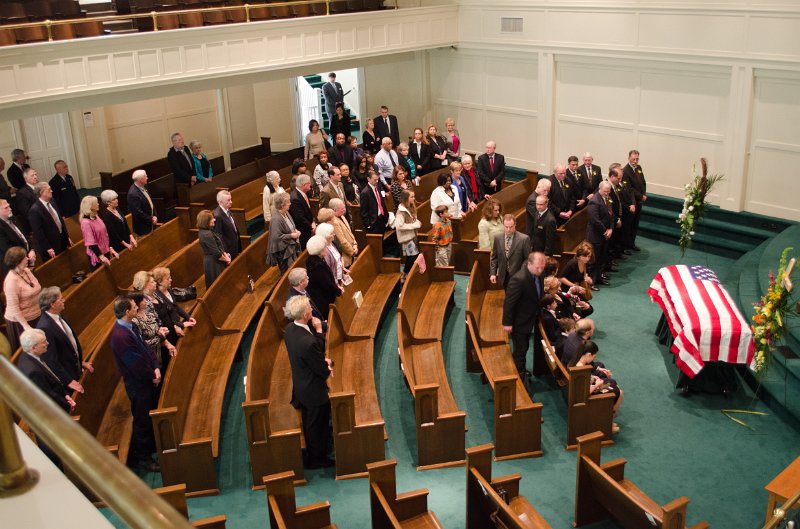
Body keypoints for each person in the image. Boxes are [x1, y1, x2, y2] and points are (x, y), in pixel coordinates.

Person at [110, 295, 161, 472]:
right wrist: (151, 374)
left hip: (146, 378)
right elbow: (134, 363)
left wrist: (155, 365)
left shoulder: (130, 326)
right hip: (138, 384)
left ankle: (152, 446)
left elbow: (145, 348)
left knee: (148, 415)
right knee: (142, 420)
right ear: (126, 311)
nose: (136, 309)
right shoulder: (120, 336)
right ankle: (144, 458)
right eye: (133, 307)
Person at [284, 295, 334, 469]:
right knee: (315, 424)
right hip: (312, 390)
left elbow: (307, 357)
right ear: (305, 314)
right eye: (309, 308)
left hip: (300, 382)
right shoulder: (308, 341)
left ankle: (318, 450)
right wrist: (319, 331)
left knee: (310, 421)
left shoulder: (290, 329)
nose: (311, 310)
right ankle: (317, 458)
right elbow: (320, 369)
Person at [18, 328, 75, 468]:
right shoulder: (32, 371)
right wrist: (67, 405)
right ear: (33, 347)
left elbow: (50, 385)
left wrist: (65, 395)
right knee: (53, 454)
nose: (48, 343)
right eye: (44, 342)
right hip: (46, 420)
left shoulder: (30, 357)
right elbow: (48, 396)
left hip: (48, 410)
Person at [37, 286, 91, 395]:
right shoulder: (45, 327)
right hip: (69, 376)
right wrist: (69, 381)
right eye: (61, 299)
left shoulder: (58, 314)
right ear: (52, 304)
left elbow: (69, 341)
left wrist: (80, 362)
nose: (64, 300)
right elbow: (51, 360)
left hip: (75, 367)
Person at [502, 252, 546, 378]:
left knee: (525, 346)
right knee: (521, 350)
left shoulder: (540, 274)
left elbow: (538, 295)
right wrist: (507, 323)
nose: (541, 270)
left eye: (542, 267)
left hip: (531, 317)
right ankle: (519, 376)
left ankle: (520, 369)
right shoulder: (519, 279)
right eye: (538, 267)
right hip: (519, 321)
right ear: (529, 264)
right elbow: (509, 302)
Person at [566, 339, 622, 424]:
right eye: (594, 357)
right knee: (617, 391)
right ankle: (606, 423)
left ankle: (608, 420)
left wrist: (594, 377)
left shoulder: (576, 360)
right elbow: (583, 393)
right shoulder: (581, 370)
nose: (593, 359)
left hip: (579, 392)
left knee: (612, 383)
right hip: (583, 400)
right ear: (588, 354)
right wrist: (597, 385)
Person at [131, 271, 177, 372]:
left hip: (163, 341)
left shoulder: (153, 296)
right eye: (152, 281)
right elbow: (141, 342)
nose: (155, 282)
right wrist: (161, 336)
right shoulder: (136, 320)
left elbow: (157, 321)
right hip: (153, 356)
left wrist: (162, 330)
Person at [3, 249, 41, 350]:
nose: (27, 258)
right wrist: (26, 327)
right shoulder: (11, 281)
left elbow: (35, 288)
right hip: (21, 323)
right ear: (17, 261)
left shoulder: (26, 271)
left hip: (35, 315)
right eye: (24, 257)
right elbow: (14, 307)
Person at [152, 267, 196, 346]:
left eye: (170, 277)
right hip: (171, 330)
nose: (171, 280)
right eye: (168, 279)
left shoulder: (169, 290)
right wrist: (177, 326)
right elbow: (164, 319)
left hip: (177, 323)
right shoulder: (157, 298)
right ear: (160, 282)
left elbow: (176, 306)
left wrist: (188, 317)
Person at [29, 182, 71, 262]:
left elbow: (60, 220)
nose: (51, 191)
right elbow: (38, 232)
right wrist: (47, 247)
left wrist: (67, 236)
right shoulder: (35, 210)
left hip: (62, 238)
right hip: (51, 245)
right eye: (49, 190)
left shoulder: (52, 201)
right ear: (41, 193)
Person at [489, 214, 531, 289]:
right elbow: (494, 258)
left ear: (515, 225)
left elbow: (528, 259)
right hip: (504, 275)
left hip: (518, 275)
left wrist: (522, 273)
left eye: (511, 227)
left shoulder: (524, 239)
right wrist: (493, 273)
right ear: (503, 225)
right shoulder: (497, 238)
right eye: (506, 227)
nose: (508, 229)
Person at [305, 235, 341, 314]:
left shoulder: (314, 259)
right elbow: (327, 283)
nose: (326, 249)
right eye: (325, 247)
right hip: (323, 300)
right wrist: (338, 291)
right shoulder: (317, 266)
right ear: (320, 250)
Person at [79, 195, 118, 269]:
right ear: (90, 206)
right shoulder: (86, 222)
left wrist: (110, 248)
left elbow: (105, 234)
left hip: (105, 251)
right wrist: (101, 256)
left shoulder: (96, 216)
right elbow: (91, 243)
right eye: (96, 203)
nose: (98, 204)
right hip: (98, 255)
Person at [586, 181, 613, 287]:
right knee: (593, 260)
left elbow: (611, 215)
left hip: (605, 235)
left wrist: (611, 228)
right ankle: (591, 282)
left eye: (608, 191)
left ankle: (598, 278)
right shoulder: (594, 201)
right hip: (595, 235)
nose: (607, 193)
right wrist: (605, 231)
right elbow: (595, 220)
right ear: (600, 189)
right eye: (605, 191)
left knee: (601, 258)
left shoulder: (607, 198)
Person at [267, 193, 301, 273]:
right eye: (288, 202)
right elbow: (276, 237)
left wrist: (295, 230)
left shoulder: (286, 212)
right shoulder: (276, 219)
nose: (290, 203)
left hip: (291, 246)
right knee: (287, 272)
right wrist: (291, 235)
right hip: (283, 251)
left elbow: (291, 226)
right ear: (282, 205)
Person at [0, 198, 34, 276]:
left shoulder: (14, 219)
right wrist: (26, 257)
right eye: (6, 207)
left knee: (35, 282)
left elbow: (26, 236)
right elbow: (8, 250)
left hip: (28, 258)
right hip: (15, 265)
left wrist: (32, 249)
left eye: (9, 206)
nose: (10, 209)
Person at [197, 209, 230, 288]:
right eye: (212, 219)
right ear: (206, 221)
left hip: (214, 261)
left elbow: (218, 246)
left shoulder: (207, 231)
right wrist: (227, 259)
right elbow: (216, 253)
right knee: (218, 286)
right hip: (214, 264)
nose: (214, 219)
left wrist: (225, 254)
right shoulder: (207, 234)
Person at [394, 190, 421, 283]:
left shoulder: (410, 207)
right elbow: (399, 226)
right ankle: (405, 273)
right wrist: (414, 225)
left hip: (412, 236)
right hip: (406, 237)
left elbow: (413, 219)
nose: (414, 199)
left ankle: (406, 274)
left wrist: (416, 223)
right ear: (406, 198)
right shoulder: (401, 212)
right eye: (412, 197)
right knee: (413, 255)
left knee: (412, 257)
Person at [99, 190, 137, 254]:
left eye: (116, 198)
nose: (117, 200)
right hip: (119, 244)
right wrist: (126, 244)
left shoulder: (117, 208)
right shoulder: (106, 215)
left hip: (127, 239)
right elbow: (114, 234)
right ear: (108, 202)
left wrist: (131, 237)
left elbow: (125, 224)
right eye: (114, 199)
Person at [623, 149, 645, 252]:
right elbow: (629, 188)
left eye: (637, 159)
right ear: (629, 158)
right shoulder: (625, 171)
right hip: (632, 202)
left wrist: (644, 194)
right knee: (629, 225)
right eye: (633, 159)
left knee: (635, 224)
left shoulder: (638, 168)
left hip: (639, 201)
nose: (635, 161)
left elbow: (643, 182)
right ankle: (626, 245)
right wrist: (640, 196)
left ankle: (632, 243)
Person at [213, 190, 241, 260]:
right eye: (228, 200)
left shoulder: (227, 210)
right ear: (220, 202)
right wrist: (225, 253)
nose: (231, 202)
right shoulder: (218, 215)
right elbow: (219, 236)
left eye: (230, 199)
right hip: (229, 250)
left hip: (235, 246)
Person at [290, 174, 316, 250]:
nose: (310, 185)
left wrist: (313, 221)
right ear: (304, 185)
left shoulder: (303, 193)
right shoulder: (295, 198)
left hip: (309, 226)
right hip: (303, 232)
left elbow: (309, 210)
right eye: (309, 183)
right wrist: (311, 227)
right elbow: (300, 218)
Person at [128, 169, 157, 236]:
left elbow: (150, 202)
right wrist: (151, 219)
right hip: (144, 227)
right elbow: (138, 212)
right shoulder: (133, 194)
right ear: (141, 180)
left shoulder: (142, 187)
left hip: (150, 223)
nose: (147, 178)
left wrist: (155, 215)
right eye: (146, 176)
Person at [328, 199, 357, 267]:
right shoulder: (333, 221)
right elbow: (342, 241)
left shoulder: (342, 216)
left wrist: (355, 244)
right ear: (334, 210)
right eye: (342, 208)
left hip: (352, 250)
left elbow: (350, 233)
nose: (344, 210)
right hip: (345, 256)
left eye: (344, 207)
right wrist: (352, 252)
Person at [14, 167, 38, 234]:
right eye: (32, 175)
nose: (35, 177)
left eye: (36, 174)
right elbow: (26, 213)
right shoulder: (22, 192)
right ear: (26, 178)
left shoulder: (39, 188)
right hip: (35, 225)